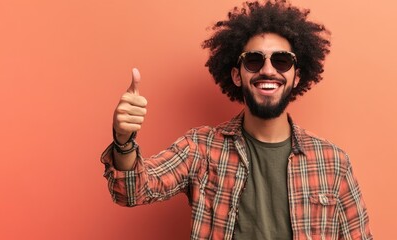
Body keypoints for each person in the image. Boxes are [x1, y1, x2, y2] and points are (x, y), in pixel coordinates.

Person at [100, 1, 372, 239]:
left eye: (281, 61)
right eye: (253, 60)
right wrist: (123, 140)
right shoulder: (201, 148)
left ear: (296, 76)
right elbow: (133, 191)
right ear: (236, 75)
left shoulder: (332, 162)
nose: (268, 70)